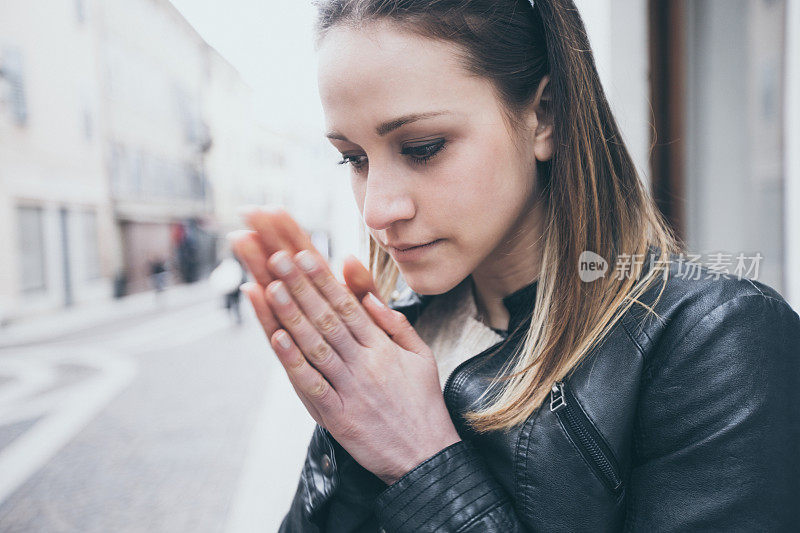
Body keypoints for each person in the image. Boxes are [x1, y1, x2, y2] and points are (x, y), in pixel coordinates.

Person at [231, 0, 800, 531]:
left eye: (423, 146)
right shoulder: (388, 343)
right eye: (352, 159)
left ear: (544, 117)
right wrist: (346, 431)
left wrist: (419, 459)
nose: (378, 209)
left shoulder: (715, 339)